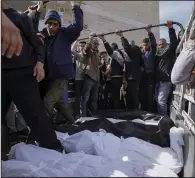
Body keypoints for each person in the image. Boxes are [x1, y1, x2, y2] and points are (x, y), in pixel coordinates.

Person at [1, 1, 63, 158]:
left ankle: (54, 149)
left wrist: (40, 64)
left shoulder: (20, 18)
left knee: (36, 115)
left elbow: (38, 45)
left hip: (22, 74)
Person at [39, 1, 83, 122]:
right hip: (47, 78)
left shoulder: (65, 34)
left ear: (59, 25)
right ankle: (73, 122)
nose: (51, 27)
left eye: (55, 24)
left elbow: (77, 26)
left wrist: (75, 7)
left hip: (61, 77)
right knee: (60, 104)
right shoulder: (42, 36)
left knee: (47, 103)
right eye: (49, 24)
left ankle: (39, 133)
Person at [155, 20, 178, 115]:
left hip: (166, 81)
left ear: (166, 45)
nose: (161, 46)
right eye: (159, 45)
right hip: (157, 81)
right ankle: (162, 118)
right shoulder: (157, 54)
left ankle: (163, 119)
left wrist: (170, 29)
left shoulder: (169, 52)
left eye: (163, 44)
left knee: (161, 101)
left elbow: (173, 42)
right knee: (158, 101)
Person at [98, 34, 127, 109]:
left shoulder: (116, 53)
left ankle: (116, 112)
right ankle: (117, 109)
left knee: (116, 96)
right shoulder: (120, 54)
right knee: (116, 96)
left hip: (116, 78)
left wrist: (104, 40)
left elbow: (109, 51)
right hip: (117, 77)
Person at [116, 30, 142, 110]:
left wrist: (121, 36)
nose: (126, 54)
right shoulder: (132, 60)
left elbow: (127, 48)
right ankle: (131, 111)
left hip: (133, 80)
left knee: (133, 97)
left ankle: (134, 111)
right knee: (129, 97)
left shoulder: (134, 57)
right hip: (130, 80)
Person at [81, 33, 100, 116]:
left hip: (96, 79)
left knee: (94, 99)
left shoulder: (96, 53)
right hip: (89, 77)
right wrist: (90, 38)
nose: (96, 45)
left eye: (97, 44)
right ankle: (83, 116)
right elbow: (87, 48)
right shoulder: (88, 51)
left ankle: (93, 115)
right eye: (95, 44)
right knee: (85, 98)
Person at [139, 25, 157, 112]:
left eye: (146, 45)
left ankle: (150, 112)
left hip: (151, 75)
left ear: (149, 44)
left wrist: (149, 32)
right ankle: (143, 111)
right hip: (143, 77)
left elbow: (154, 43)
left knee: (150, 95)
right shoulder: (141, 54)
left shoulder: (152, 52)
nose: (144, 47)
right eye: (143, 45)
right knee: (143, 95)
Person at [72, 40, 87, 118]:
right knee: (78, 97)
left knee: (85, 97)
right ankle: (77, 114)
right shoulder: (78, 55)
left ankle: (84, 113)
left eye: (83, 46)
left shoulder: (88, 55)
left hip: (86, 79)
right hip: (78, 79)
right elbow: (71, 50)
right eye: (81, 46)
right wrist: (76, 41)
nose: (82, 47)